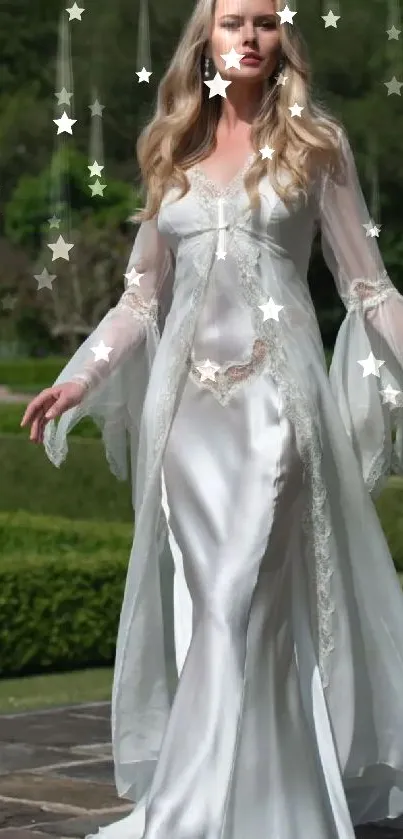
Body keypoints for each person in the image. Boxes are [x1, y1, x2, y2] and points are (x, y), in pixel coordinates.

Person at [21, 0, 403, 837]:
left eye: (266, 21)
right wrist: (80, 377)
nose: (251, 36)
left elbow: (366, 286)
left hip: (277, 407)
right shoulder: (171, 152)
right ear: (206, 41)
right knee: (215, 601)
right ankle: (217, 799)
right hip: (186, 415)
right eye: (234, 21)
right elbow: (140, 296)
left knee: (243, 600)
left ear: (283, 38)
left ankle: (242, 806)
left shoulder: (316, 147)